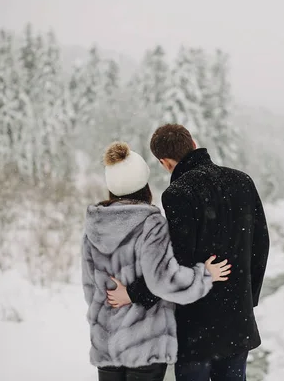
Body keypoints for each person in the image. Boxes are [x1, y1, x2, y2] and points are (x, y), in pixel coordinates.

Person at [106, 124, 270, 381]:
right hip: (237, 323)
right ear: (193, 143)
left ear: (165, 162)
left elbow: (175, 262)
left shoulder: (178, 194)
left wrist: (133, 294)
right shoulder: (242, 181)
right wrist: (246, 299)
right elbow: (261, 246)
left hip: (196, 327)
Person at [82, 141, 232, 381]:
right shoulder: (151, 224)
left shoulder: (93, 227)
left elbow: (91, 289)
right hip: (145, 344)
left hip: (106, 343)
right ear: (144, 184)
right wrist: (204, 275)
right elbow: (164, 281)